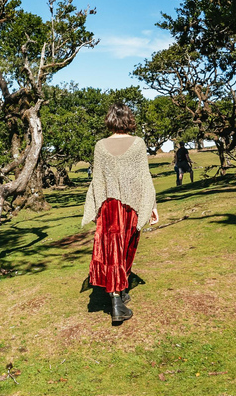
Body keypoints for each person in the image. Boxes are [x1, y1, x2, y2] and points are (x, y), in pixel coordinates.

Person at [82, 103, 158, 323]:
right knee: (125, 249)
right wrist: (152, 206)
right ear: (129, 119)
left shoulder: (100, 145)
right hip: (129, 207)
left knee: (111, 251)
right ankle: (117, 304)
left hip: (108, 206)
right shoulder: (138, 144)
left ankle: (120, 290)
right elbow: (144, 177)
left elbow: (97, 181)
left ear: (110, 120)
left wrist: (96, 207)